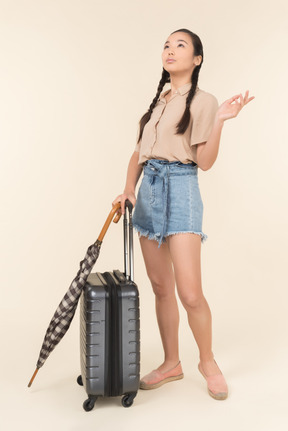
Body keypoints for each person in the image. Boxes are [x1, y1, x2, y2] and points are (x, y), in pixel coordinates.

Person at [112, 28, 254, 401]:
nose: (170, 50)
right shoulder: (158, 101)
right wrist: (128, 189)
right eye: (166, 44)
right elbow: (137, 154)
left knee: (190, 293)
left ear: (197, 59)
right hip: (148, 194)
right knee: (161, 288)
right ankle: (172, 362)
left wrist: (221, 119)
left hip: (182, 188)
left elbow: (204, 162)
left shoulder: (205, 101)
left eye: (180, 45)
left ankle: (207, 362)